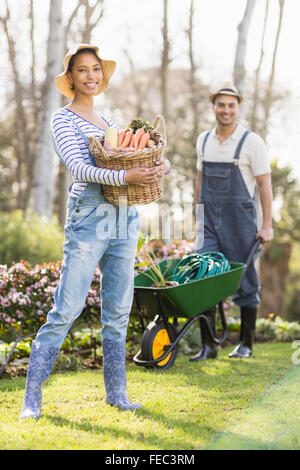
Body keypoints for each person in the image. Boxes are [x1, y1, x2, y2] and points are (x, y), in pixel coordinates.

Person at [20, 43, 171, 418]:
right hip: (89, 216)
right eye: (82, 70)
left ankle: (117, 395)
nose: (91, 76)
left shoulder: (110, 124)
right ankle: (32, 398)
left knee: (118, 311)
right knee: (66, 309)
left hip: (124, 218)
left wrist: (157, 168)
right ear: (70, 78)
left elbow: (139, 160)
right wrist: (126, 174)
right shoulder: (63, 119)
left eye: (96, 69)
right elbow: (79, 167)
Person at [191, 85, 273, 361]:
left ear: (238, 108)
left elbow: (264, 185)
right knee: (204, 276)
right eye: (221, 105)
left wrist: (267, 225)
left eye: (231, 105)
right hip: (209, 223)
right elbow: (199, 179)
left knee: (245, 280)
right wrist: (197, 214)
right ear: (213, 107)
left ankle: (246, 344)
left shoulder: (252, 142)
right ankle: (208, 346)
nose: (226, 110)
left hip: (241, 224)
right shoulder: (203, 140)